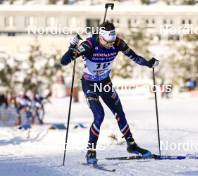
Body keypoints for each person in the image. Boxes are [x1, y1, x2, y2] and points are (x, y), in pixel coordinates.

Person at [61, 21, 159, 164]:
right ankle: (91, 151)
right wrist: (72, 47)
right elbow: (64, 61)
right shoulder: (89, 45)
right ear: (101, 37)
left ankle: (131, 145)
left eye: (113, 41)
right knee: (99, 115)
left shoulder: (117, 43)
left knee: (120, 112)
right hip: (90, 84)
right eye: (108, 42)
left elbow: (135, 57)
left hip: (105, 83)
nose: (111, 45)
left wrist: (149, 63)